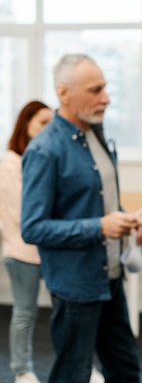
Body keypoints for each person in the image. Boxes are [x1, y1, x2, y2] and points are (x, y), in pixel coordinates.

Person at [20, 53, 142, 383]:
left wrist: (125, 219)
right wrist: (99, 227)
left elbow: (100, 199)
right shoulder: (44, 149)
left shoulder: (98, 135)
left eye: (105, 88)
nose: (105, 98)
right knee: (73, 373)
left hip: (111, 277)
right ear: (64, 94)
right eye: (95, 90)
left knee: (126, 370)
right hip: (76, 287)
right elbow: (32, 227)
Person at [0, 101, 53, 383]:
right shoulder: (11, 162)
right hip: (22, 251)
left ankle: (78, 365)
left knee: (69, 311)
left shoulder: (45, 157)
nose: (49, 129)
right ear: (26, 125)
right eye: (42, 123)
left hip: (51, 248)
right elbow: (23, 212)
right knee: (24, 312)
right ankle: (22, 370)